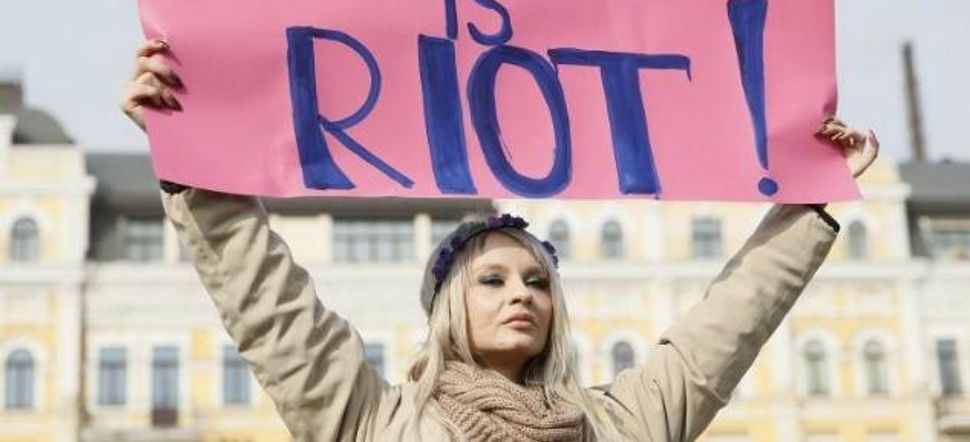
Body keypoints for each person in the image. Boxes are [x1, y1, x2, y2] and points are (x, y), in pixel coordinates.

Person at [121, 37, 879, 441]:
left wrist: (812, 198)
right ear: (448, 305)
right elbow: (272, 309)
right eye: (493, 279)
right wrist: (195, 156)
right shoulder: (373, 422)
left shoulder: (621, 424)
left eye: (538, 281)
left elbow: (726, 329)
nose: (522, 291)